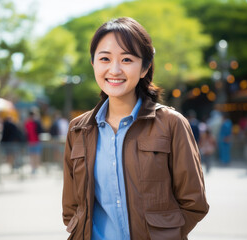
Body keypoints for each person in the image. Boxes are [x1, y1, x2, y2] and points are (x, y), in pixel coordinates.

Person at [62, 17, 209, 240]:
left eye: (127, 59)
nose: (114, 69)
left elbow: (193, 202)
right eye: (104, 58)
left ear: (145, 67)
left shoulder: (172, 124)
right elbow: (72, 207)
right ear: (93, 64)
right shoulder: (78, 130)